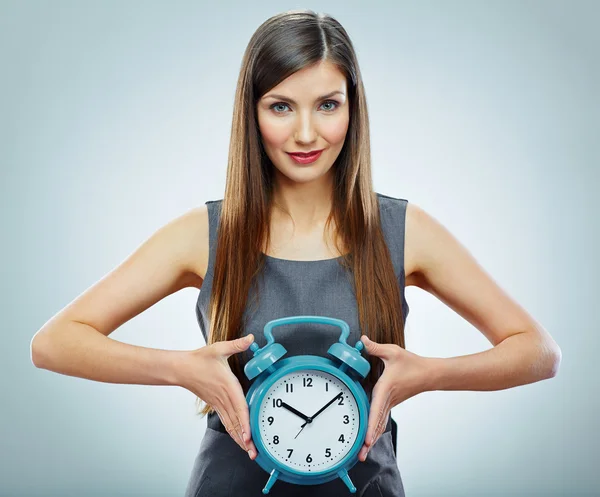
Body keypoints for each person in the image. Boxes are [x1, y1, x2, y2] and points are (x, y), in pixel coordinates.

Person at [30, 9, 562, 497]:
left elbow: (537, 351)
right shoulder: (206, 233)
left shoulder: (402, 230)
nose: (306, 133)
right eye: (281, 106)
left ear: (352, 109)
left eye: (327, 105)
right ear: (252, 112)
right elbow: (54, 343)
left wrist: (427, 373)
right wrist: (180, 368)